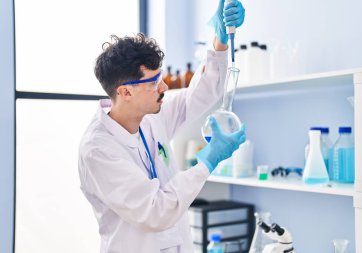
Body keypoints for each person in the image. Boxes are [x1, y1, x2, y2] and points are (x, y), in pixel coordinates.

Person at [78, 0, 245, 252]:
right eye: (154, 82)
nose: (164, 87)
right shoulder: (99, 150)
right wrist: (207, 162)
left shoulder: (150, 117)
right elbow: (155, 212)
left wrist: (219, 42)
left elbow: (199, 94)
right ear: (125, 92)